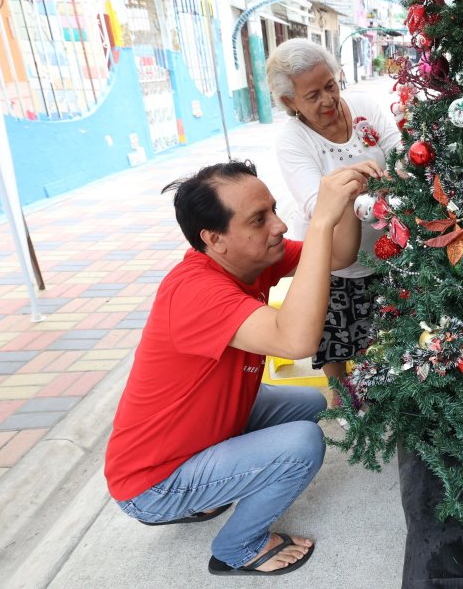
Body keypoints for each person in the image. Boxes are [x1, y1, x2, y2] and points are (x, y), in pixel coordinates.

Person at [104, 157, 383, 576]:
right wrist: (321, 219)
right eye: (259, 219)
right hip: (151, 483)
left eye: (273, 209)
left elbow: (339, 257)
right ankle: (238, 547)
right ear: (215, 239)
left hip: (198, 437)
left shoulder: (251, 259)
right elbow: (297, 340)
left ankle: (214, 486)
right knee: (302, 443)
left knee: (308, 403)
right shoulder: (195, 291)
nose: (279, 226)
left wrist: (344, 202)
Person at [267, 38, 403, 393]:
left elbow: (399, 152)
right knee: (335, 337)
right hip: (334, 260)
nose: (328, 100)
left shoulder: (362, 106)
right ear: (289, 102)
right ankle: (344, 400)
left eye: (330, 86)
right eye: (313, 96)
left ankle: (386, 390)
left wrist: (401, 173)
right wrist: (361, 183)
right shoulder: (292, 141)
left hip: (388, 250)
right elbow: (317, 204)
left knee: (387, 330)